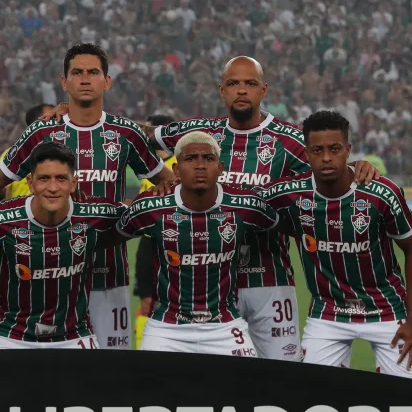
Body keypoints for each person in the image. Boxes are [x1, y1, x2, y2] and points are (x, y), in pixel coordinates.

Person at [144, 56, 380, 362]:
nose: (242, 90)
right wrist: (163, 179)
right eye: (233, 84)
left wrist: (357, 167)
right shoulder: (199, 135)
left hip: (270, 281)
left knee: (283, 379)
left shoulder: (290, 141)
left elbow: (329, 169)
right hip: (211, 288)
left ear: (263, 90)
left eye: (250, 84)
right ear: (222, 90)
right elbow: (138, 136)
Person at [0, 44, 171, 350]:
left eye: (93, 72)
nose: (85, 79)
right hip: (49, 279)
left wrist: (134, 210)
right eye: (77, 72)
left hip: (109, 276)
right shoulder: (41, 133)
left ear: (106, 81)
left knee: (110, 380)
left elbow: (168, 183)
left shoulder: (125, 133)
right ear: (64, 82)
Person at [261, 111, 412, 378]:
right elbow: (241, 203)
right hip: (328, 314)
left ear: (348, 149)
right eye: (318, 150)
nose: (326, 157)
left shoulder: (381, 193)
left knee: (406, 404)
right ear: (307, 153)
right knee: (313, 403)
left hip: (387, 312)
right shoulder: (288, 193)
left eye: (334, 149)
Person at [114, 131, 279, 356]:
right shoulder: (151, 207)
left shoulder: (246, 206)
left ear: (220, 169)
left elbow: (282, 223)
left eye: (208, 159)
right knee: (148, 389)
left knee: (245, 390)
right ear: (176, 170)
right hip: (166, 327)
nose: (200, 165)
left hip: (225, 326)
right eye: (191, 159)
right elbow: (113, 232)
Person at [0, 143, 124, 350]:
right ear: (30, 183)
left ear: (74, 183)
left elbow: (136, 214)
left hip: (74, 337)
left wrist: (163, 190)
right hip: (11, 338)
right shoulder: (1, 218)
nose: (53, 188)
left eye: (61, 179)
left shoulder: (95, 214)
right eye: (44, 178)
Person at [134, 114, 177, 348]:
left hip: (173, 243)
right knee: (146, 303)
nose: (146, 135)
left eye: (150, 131)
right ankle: (143, 351)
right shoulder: (144, 165)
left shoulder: (179, 164)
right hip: (148, 243)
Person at [0, 104, 52, 201]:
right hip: (20, 213)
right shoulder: (13, 154)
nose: (59, 123)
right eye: (52, 119)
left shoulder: (65, 154)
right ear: (36, 125)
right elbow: (3, 188)